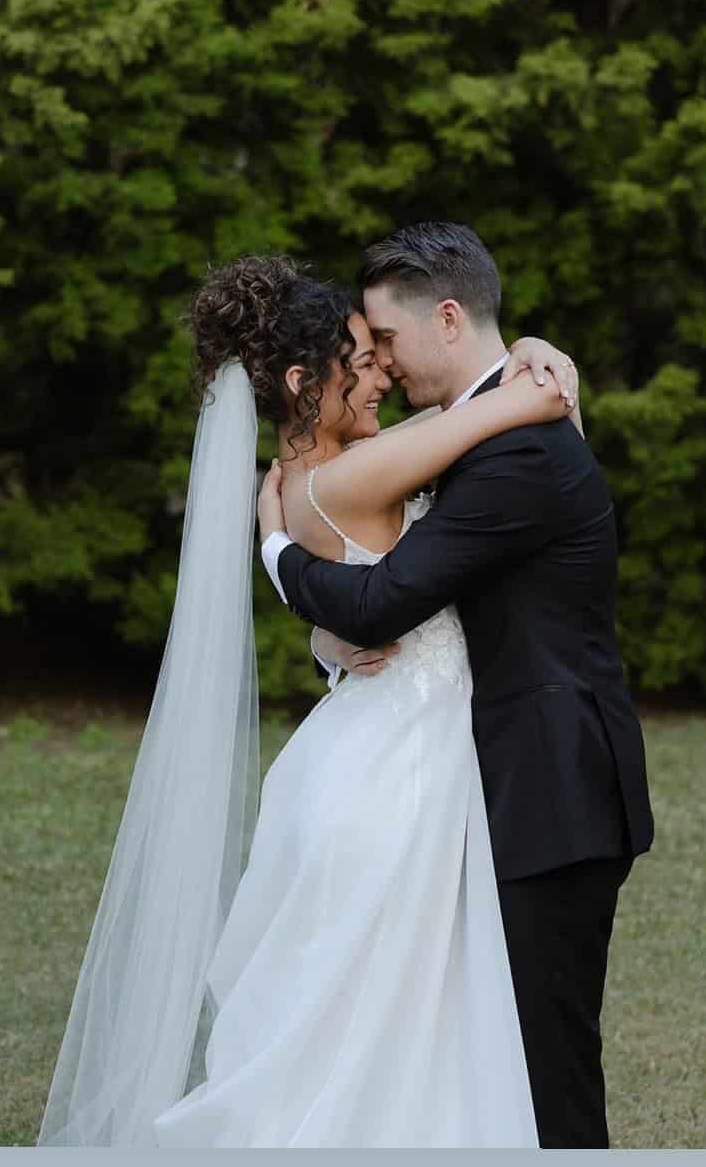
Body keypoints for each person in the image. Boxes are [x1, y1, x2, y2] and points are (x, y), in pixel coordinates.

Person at [37, 252, 575, 1149]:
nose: (380, 375)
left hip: (365, 751)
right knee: (386, 1022)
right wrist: (534, 355)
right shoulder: (355, 476)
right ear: (302, 380)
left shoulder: (300, 487)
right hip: (398, 772)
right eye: (360, 359)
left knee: (364, 1022)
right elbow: (520, 405)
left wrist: (283, 560)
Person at [258, 221, 655, 1150]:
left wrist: (276, 556)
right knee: (484, 1061)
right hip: (490, 786)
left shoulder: (515, 444)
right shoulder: (493, 420)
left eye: (387, 339)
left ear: (446, 317)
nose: (383, 365)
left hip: (551, 793)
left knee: (546, 1068)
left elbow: (388, 595)